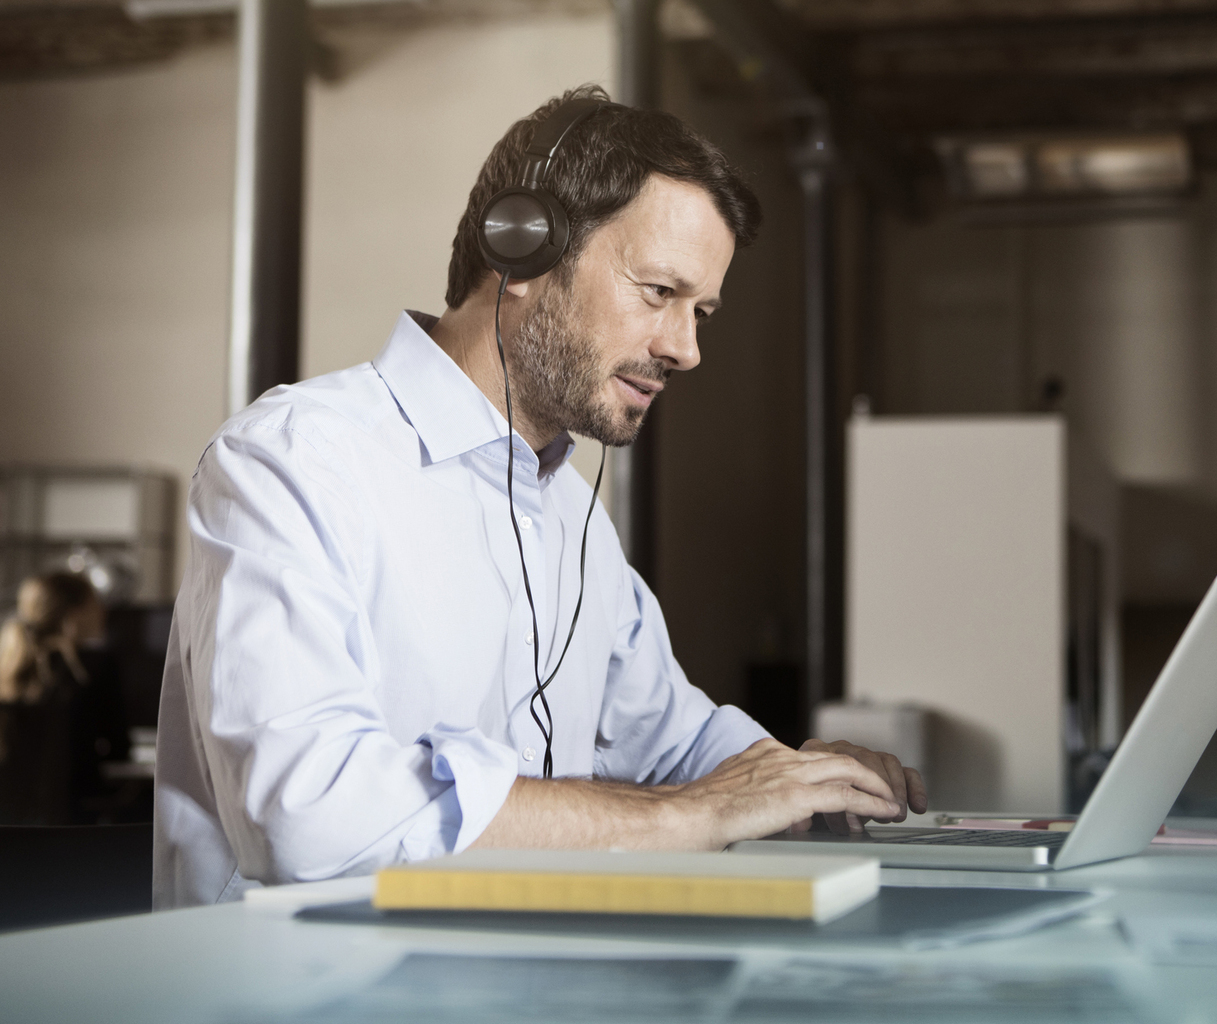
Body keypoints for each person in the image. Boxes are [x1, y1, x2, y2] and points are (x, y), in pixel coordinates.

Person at [154, 86, 926, 909]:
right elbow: (305, 815)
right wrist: (686, 815)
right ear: (520, 252)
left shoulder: (570, 515)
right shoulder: (293, 461)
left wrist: (808, 780)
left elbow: (671, 739)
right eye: (659, 293)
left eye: (701, 311)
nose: (687, 348)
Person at [0, 572, 127, 825]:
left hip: (10, 832)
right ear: (75, 612)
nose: (103, 611)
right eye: (96, 603)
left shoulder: (9, 666)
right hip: (71, 824)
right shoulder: (93, 668)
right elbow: (119, 749)